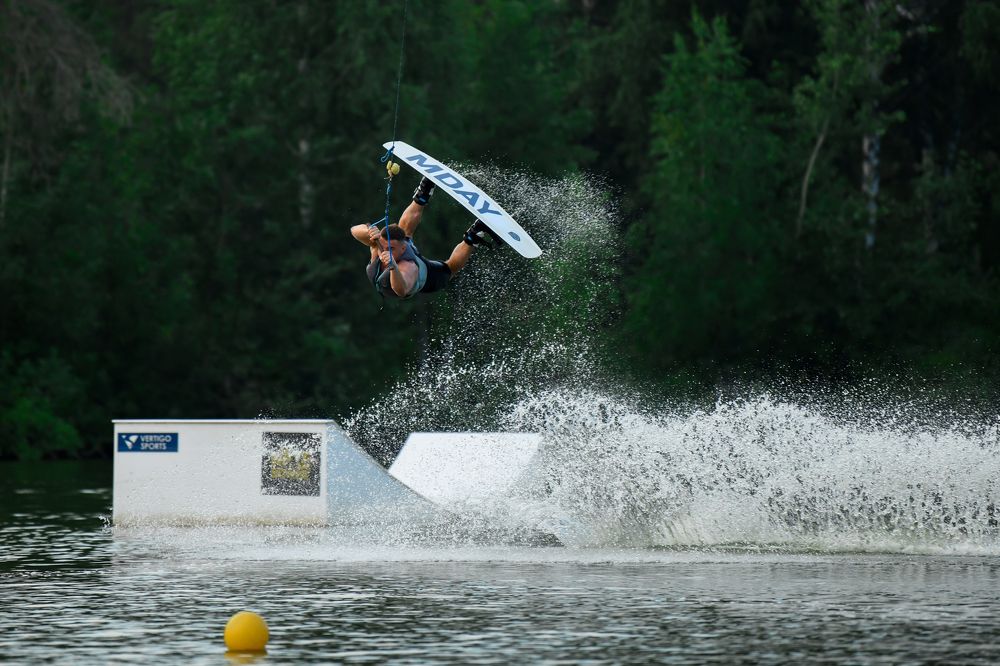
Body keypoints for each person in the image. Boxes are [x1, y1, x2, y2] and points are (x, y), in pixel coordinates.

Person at [350, 177, 500, 299]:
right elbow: (354, 231)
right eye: (385, 245)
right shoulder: (379, 245)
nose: (386, 250)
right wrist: (369, 231)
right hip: (411, 275)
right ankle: (424, 193)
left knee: (449, 268)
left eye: (392, 249)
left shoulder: (408, 267)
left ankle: (473, 234)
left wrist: (393, 266)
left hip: (426, 275)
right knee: (405, 232)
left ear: (403, 248)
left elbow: (400, 290)